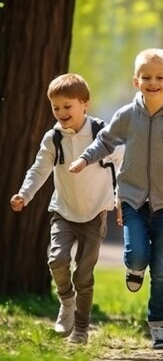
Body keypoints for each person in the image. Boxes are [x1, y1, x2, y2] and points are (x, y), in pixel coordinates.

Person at [69, 48, 163, 350]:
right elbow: (105, 141)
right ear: (135, 81)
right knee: (138, 254)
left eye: (159, 77)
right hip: (132, 198)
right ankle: (134, 266)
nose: (152, 82)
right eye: (146, 77)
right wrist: (85, 159)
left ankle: (158, 326)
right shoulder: (127, 115)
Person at [10, 73, 123, 344]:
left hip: (95, 213)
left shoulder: (101, 135)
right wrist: (24, 194)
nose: (61, 112)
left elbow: (123, 162)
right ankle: (66, 302)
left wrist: (121, 198)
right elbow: (39, 169)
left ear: (85, 104)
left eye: (67, 106)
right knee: (57, 260)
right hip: (63, 211)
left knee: (84, 274)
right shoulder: (54, 139)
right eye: (55, 107)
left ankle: (82, 327)